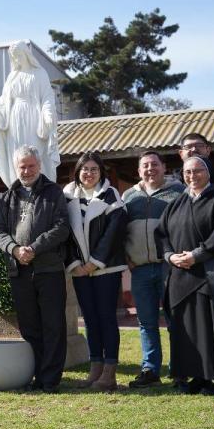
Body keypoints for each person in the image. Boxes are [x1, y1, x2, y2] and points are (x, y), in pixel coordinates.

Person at [155, 157, 214, 396]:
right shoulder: (177, 203)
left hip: (212, 275)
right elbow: (161, 233)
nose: (192, 176)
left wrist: (198, 255)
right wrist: (169, 257)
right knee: (188, 331)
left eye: (197, 171)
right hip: (181, 275)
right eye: (187, 172)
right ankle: (197, 376)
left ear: (208, 172)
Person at [0, 145, 70, 393]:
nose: (26, 171)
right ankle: (37, 373)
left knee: (53, 325)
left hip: (48, 268)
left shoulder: (53, 192)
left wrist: (34, 248)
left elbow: (61, 227)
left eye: (30, 166)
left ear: (39, 166)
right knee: (29, 326)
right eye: (22, 166)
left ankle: (50, 379)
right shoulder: (8, 196)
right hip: (20, 269)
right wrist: (15, 250)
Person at [63, 151, 128, 391]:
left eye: (94, 169)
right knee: (90, 320)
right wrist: (74, 264)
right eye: (84, 169)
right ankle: (95, 369)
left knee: (106, 318)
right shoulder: (67, 196)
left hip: (106, 269)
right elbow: (64, 235)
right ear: (77, 172)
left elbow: (114, 233)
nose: (88, 174)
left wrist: (95, 262)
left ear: (101, 172)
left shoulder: (111, 196)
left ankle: (109, 373)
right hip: (80, 271)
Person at [122, 151, 184, 388]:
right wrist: (127, 257)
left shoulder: (179, 192)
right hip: (140, 269)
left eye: (154, 164)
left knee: (175, 320)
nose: (150, 169)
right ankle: (150, 370)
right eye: (145, 166)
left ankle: (180, 368)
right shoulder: (128, 197)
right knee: (146, 322)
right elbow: (120, 230)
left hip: (169, 268)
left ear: (163, 167)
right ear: (139, 171)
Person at [0, 40, 60, 188]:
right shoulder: (12, 76)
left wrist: (48, 114)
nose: (17, 58)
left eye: (19, 54)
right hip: (14, 120)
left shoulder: (39, 73)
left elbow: (47, 97)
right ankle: (17, 186)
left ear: (26, 54)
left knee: (35, 151)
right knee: (16, 154)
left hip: (34, 118)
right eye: (14, 55)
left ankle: (40, 187)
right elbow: (3, 101)